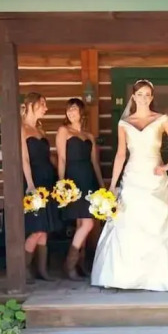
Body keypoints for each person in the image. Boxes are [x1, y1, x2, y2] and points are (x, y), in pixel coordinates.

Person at [90, 79, 168, 291]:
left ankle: (157, 276)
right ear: (133, 97)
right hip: (132, 177)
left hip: (154, 177)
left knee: (157, 222)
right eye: (140, 94)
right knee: (128, 221)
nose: (144, 98)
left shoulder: (161, 120)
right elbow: (121, 155)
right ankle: (125, 276)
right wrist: (112, 185)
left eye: (147, 94)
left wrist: (166, 167)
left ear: (152, 97)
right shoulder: (124, 123)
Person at [56, 98, 104, 280]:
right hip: (73, 179)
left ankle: (80, 264)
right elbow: (61, 158)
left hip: (88, 179)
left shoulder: (89, 136)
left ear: (81, 112)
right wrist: (61, 184)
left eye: (74, 109)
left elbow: (95, 163)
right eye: (68, 109)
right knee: (87, 223)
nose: (70, 112)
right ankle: (69, 265)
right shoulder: (63, 131)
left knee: (82, 224)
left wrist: (101, 186)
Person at [21, 93, 63, 282]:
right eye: (42, 104)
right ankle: (23, 268)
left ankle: (42, 270)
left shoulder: (40, 130)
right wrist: (30, 183)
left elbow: (48, 156)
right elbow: (24, 159)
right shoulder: (21, 129)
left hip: (47, 179)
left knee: (44, 228)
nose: (46, 108)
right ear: (31, 105)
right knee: (36, 228)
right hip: (33, 179)